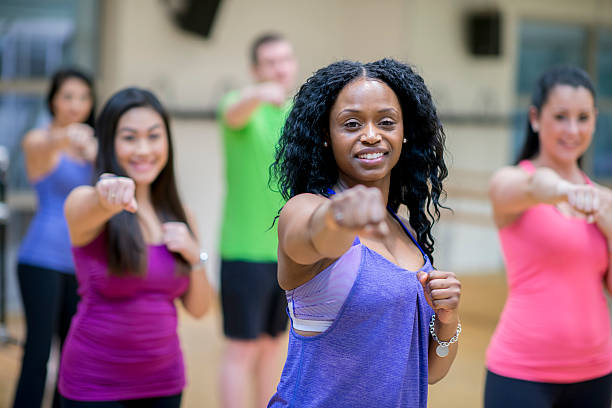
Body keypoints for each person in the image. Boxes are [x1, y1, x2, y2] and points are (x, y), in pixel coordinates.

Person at [267, 58, 462, 407]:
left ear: (404, 133)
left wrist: (447, 320)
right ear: (326, 136)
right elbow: (311, 237)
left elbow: (429, 371)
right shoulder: (307, 209)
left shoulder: (404, 231)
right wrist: (339, 217)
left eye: (386, 122)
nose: (371, 135)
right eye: (352, 124)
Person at [58, 88, 212, 407]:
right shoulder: (86, 203)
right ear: (110, 143)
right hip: (94, 385)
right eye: (129, 138)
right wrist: (107, 195)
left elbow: (199, 310)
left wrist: (195, 256)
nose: (143, 149)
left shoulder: (182, 215)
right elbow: (89, 205)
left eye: (154, 136)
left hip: (165, 383)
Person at [485, 66, 612, 407]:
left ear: (595, 120)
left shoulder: (604, 201)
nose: (573, 129)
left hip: (597, 372)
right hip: (521, 373)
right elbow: (535, 185)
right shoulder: (511, 181)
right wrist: (564, 191)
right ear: (536, 118)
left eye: (583, 117)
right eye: (560, 117)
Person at [217, 32, 298, 408]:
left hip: (287, 255)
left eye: (284, 60)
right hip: (243, 252)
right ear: (255, 70)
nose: (279, 68)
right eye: (270, 62)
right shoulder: (238, 105)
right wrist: (256, 94)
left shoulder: (298, 116)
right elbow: (234, 112)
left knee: (272, 347)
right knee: (242, 350)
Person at [13, 68, 97, 408]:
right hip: (41, 259)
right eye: (68, 96)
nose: (76, 104)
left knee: (73, 354)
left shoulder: (96, 144)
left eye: (83, 97)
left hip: (81, 263)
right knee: (38, 351)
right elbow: (36, 144)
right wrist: (67, 137)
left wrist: (95, 149)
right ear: (53, 101)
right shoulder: (40, 139)